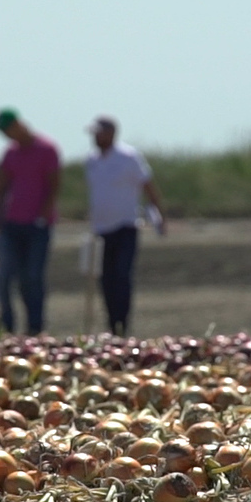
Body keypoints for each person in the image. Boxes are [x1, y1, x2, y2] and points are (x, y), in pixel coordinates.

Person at [0, 108, 61, 336]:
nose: (6, 136)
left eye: (7, 130)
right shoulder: (10, 153)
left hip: (37, 226)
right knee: (4, 277)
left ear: (17, 125)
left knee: (32, 277)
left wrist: (43, 216)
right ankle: (7, 327)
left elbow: (54, 186)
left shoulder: (47, 149)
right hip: (11, 225)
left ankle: (35, 328)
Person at [84, 116, 167, 337]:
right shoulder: (91, 160)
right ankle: (112, 324)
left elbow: (147, 185)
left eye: (99, 133)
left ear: (111, 133)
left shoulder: (128, 157)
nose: (95, 137)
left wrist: (160, 215)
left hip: (125, 226)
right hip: (100, 230)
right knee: (105, 279)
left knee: (122, 276)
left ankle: (122, 325)